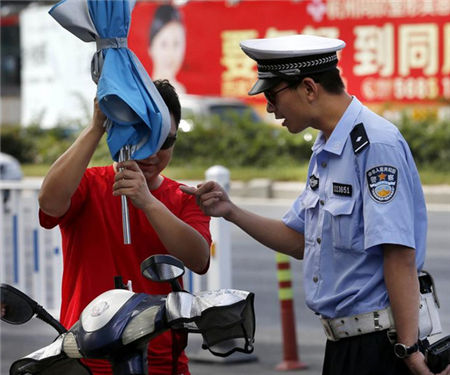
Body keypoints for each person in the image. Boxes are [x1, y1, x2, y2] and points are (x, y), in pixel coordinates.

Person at [180, 34, 450, 375]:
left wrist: (410, 351)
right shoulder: (325, 150)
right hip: (342, 345)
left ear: (309, 88)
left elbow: (398, 253)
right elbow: (298, 240)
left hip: (382, 346)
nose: (269, 107)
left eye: (272, 95)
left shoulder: (375, 145)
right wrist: (231, 211)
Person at [38, 79, 211, 375]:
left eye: (165, 142)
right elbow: (50, 203)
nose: (154, 154)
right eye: (144, 137)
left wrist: (148, 202)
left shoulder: (183, 198)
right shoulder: (90, 184)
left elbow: (198, 258)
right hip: (85, 355)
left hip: (159, 361)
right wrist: (95, 127)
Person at [148, 5, 186, 94]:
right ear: (151, 48)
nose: (170, 53)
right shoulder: (144, 92)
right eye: (164, 44)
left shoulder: (183, 93)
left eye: (176, 44)